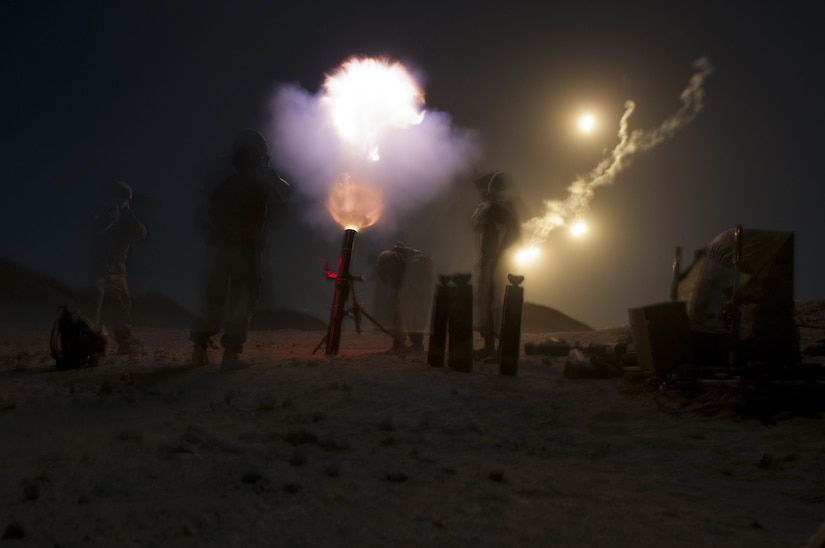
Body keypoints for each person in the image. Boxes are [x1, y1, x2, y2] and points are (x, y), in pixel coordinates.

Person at [189, 129, 291, 370]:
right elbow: (284, 196)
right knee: (241, 298)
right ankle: (230, 353)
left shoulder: (223, 181)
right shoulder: (261, 180)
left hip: (221, 248)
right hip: (244, 249)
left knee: (214, 297)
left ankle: (200, 348)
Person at [88, 180, 148, 355]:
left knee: (122, 302)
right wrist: (111, 217)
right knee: (94, 303)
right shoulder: (103, 213)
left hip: (118, 269)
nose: (123, 201)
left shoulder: (127, 217)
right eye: (120, 197)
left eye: (126, 198)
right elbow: (97, 231)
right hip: (100, 267)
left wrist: (128, 214)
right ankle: (88, 342)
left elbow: (142, 234)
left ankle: (124, 341)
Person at [471, 171, 521, 361]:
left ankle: (499, 348)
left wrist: (499, 254)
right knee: (485, 302)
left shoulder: (502, 210)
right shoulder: (489, 208)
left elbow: (513, 235)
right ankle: (489, 346)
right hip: (488, 261)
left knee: (496, 303)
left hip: (498, 262)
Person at [374, 241, 435, 353]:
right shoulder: (408, 261)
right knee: (413, 317)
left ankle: (405, 344)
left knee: (405, 315)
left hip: (417, 290)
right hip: (419, 291)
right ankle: (413, 343)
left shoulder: (413, 264)